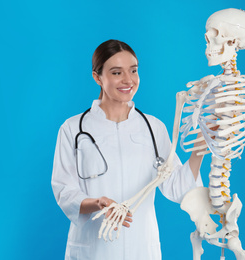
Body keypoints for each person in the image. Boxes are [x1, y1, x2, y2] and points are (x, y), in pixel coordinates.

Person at [51, 39, 204, 260]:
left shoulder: (152, 128)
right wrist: (98, 202)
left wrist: (199, 148)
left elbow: (176, 188)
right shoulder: (73, 129)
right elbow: (64, 192)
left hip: (141, 247)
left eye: (133, 71)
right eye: (116, 72)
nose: (128, 80)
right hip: (93, 250)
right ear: (97, 77)